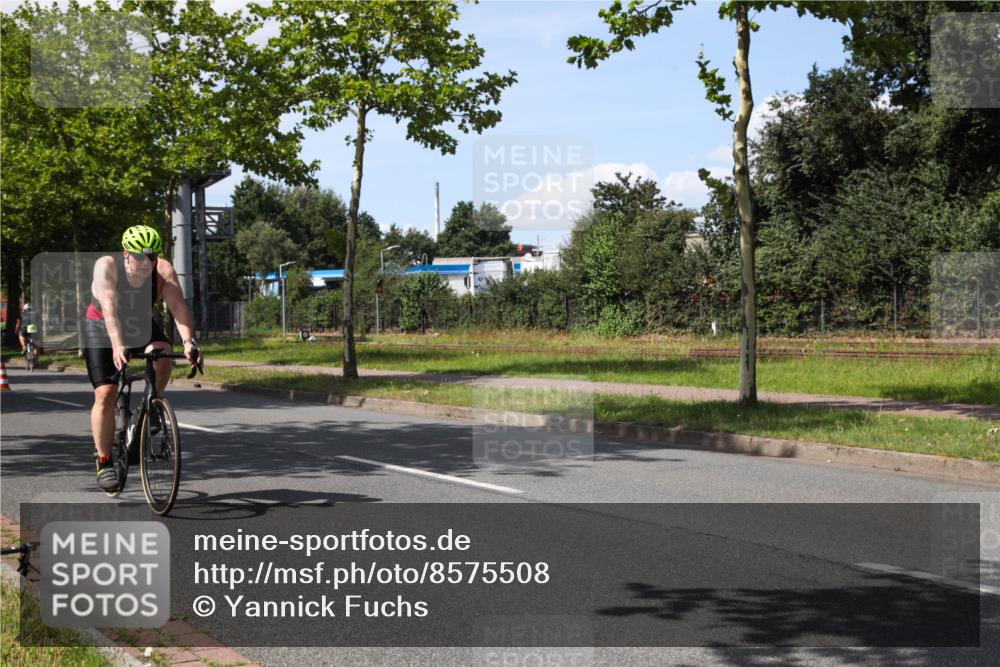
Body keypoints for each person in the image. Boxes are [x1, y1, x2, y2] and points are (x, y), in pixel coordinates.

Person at [83, 225, 202, 492]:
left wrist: (188, 342)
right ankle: (104, 460)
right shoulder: (107, 266)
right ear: (126, 254)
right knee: (106, 393)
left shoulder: (162, 270)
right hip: (102, 327)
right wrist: (117, 345)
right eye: (139, 257)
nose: (146, 263)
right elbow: (110, 308)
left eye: (152, 257)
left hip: (140, 324)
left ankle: (152, 406)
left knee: (161, 353)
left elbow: (178, 306)